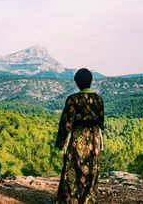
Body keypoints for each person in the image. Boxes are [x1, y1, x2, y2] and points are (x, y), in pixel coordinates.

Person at [55, 68, 104, 204]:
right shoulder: (98, 99)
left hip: (77, 137)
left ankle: (71, 198)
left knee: (73, 167)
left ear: (77, 82)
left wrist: (61, 142)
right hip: (93, 138)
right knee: (91, 167)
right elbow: (101, 121)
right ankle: (88, 198)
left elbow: (66, 122)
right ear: (90, 81)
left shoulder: (73, 99)